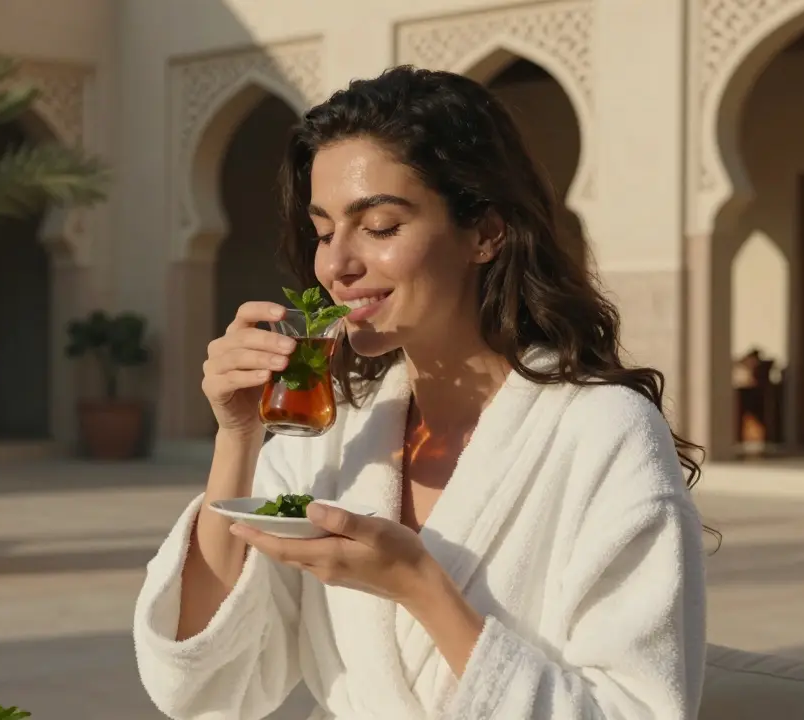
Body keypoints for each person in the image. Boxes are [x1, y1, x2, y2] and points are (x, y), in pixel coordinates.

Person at [133, 65, 707, 720]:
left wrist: (420, 587)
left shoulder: (602, 433)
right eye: (323, 232)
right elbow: (202, 686)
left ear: (486, 232)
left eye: (378, 226)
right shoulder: (336, 433)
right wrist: (238, 436)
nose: (335, 265)